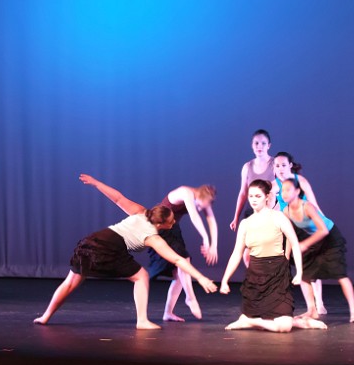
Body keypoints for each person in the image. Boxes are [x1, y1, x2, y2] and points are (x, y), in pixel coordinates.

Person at [33, 174, 218, 330]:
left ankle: (45, 316)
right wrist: (201, 278)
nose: (174, 223)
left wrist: (97, 183)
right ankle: (142, 321)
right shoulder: (153, 238)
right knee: (141, 276)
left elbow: (118, 198)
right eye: (171, 222)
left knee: (71, 282)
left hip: (91, 242)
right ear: (161, 224)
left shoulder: (141, 211)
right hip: (111, 249)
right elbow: (178, 260)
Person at [90, 180, 218, 322]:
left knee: (179, 274)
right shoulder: (186, 192)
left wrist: (214, 245)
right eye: (199, 205)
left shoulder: (202, 198)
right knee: (184, 260)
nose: (200, 209)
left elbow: (211, 221)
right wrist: (205, 239)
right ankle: (190, 297)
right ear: (199, 196)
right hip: (162, 226)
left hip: (171, 227)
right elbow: (194, 215)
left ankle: (168, 312)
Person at [220, 180, 327, 332]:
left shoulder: (278, 217)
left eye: (258, 196)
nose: (254, 200)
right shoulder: (245, 224)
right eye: (251, 196)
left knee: (284, 327)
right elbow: (236, 254)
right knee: (279, 322)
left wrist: (299, 272)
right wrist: (225, 280)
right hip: (256, 277)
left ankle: (250, 321)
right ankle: (299, 322)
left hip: (277, 275)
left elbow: (294, 243)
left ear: (267, 197)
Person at [280, 178, 354, 323]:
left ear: (297, 191)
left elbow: (323, 230)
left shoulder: (307, 207)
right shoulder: (286, 211)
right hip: (314, 239)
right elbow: (289, 236)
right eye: (282, 190)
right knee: (305, 273)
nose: (284, 193)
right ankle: (312, 310)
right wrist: (286, 255)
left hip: (330, 238)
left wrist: (305, 244)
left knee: (340, 273)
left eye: (288, 190)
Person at [272, 151, 327, 315]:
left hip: (304, 226)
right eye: (277, 166)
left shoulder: (300, 181)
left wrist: (323, 221)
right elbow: (272, 207)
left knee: (311, 264)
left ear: (290, 165)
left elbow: (313, 203)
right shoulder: (274, 185)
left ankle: (319, 302)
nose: (280, 169)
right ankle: (282, 301)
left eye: (283, 165)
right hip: (287, 227)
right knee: (288, 263)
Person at [230, 129, 276, 232]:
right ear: (252, 145)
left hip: (270, 211)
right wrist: (236, 217)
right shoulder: (247, 167)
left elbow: (282, 188)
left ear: (269, 146)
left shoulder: (275, 164)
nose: (260, 146)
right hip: (252, 211)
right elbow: (243, 193)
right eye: (256, 143)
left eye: (263, 143)